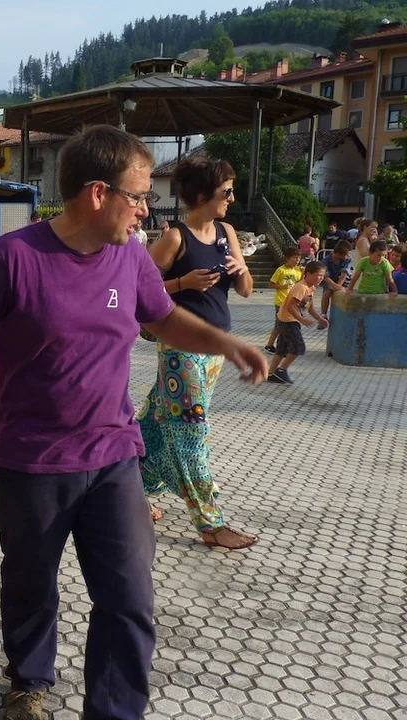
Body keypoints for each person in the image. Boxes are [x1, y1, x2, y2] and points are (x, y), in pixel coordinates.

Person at [0, 126, 268, 720]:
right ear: (97, 193)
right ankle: (29, 681)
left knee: (129, 596)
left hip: (114, 456)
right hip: (31, 459)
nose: (145, 210)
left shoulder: (131, 257)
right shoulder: (16, 256)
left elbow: (163, 320)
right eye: (137, 196)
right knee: (31, 585)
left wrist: (226, 342)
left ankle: (113, 711)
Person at [140, 156, 258, 550]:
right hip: (180, 349)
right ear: (205, 194)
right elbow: (142, 286)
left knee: (155, 424)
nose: (232, 198)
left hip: (215, 349)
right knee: (191, 432)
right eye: (227, 191)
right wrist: (183, 283)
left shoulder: (227, 232)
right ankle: (211, 524)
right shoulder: (176, 237)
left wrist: (241, 269)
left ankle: (129, 488)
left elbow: (246, 291)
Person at [268, 261, 329, 385]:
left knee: (281, 349)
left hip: (286, 320)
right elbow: (291, 306)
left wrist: (319, 318)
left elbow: (309, 307)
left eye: (323, 276)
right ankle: (281, 370)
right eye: (318, 275)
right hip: (288, 321)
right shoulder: (301, 287)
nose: (321, 278)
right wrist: (302, 320)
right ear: (308, 274)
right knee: (298, 348)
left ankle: (271, 373)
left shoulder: (311, 288)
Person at [264, 248, 303, 354]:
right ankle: (270, 345)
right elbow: (271, 284)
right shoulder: (281, 270)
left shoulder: (298, 270)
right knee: (279, 325)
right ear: (287, 258)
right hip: (281, 301)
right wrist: (283, 286)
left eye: (299, 258)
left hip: (293, 302)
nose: (297, 260)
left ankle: (286, 346)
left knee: (290, 324)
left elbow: (300, 284)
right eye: (294, 258)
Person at [321, 239, 352, 316]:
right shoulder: (325, 261)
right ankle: (323, 314)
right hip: (329, 280)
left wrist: (338, 286)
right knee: (327, 293)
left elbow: (344, 273)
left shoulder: (347, 260)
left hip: (342, 280)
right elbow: (326, 276)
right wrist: (334, 286)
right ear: (339, 254)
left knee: (345, 293)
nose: (348, 256)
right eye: (346, 254)